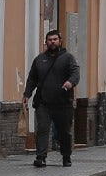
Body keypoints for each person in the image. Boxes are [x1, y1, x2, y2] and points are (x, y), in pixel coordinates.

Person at [25, 28, 79, 167]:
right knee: (42, 129)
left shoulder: (68, 58)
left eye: (55, 39)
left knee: (64, 132)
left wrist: (70, 82)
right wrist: (27, 93)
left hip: (63, 103)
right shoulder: (39, 59)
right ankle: (40, 157)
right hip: (44, 103)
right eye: (50, 40)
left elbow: (75, 73)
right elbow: (32, 78)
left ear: (60, 41)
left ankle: (66, 156)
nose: (52, 42)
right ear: (46, 42)